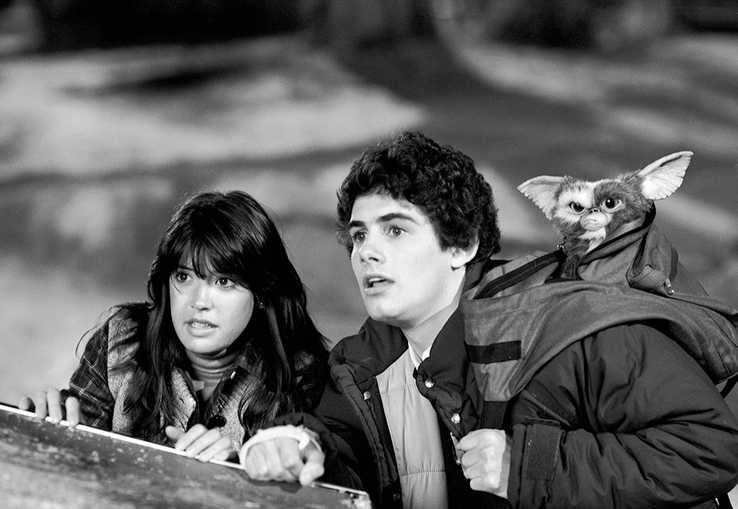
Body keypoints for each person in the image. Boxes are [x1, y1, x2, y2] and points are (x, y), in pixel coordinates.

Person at [239, 131, 738, 508]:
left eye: (395, 230)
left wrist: (527, 466)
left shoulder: (568, 328)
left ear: (462, 246)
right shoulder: (366, 361)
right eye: (359, 235)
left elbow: (710, 446)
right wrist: (293, 443)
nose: (367, 252)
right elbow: (339, 441)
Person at [19, 190, 328, 462]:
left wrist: (238, 470)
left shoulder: (301, 372)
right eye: (184, 277)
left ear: (261, 293)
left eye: (224, 282)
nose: (199, 301)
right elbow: (77, 462)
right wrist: (50, 428)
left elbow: (311, 482)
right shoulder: (121, 340)